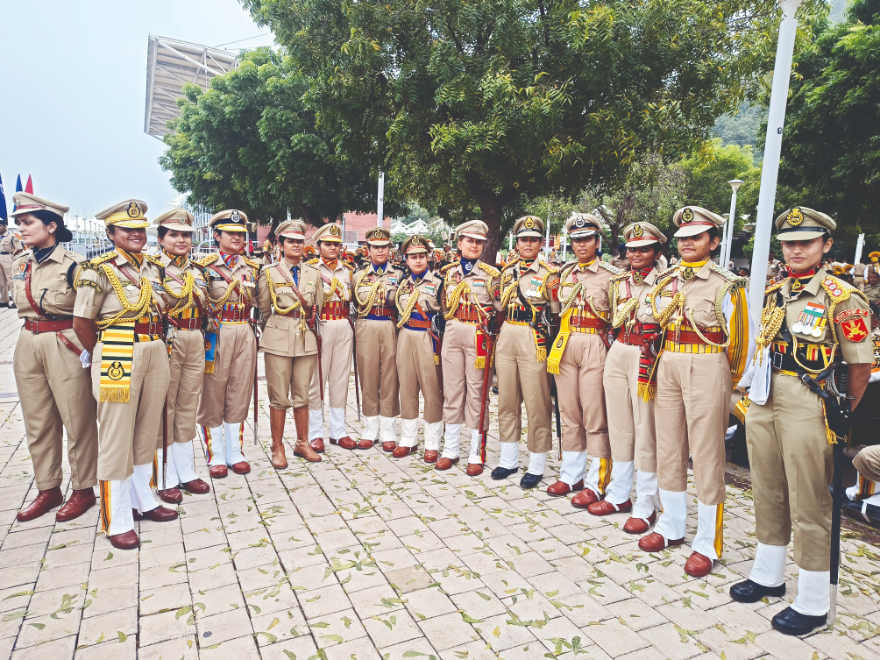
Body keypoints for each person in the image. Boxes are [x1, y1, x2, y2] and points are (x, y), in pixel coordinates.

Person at [731, 207, 873, 635]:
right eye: (790, 243)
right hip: (767, 395)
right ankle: (768, 574)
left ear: (826, 245)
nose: (796, 249)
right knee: (768, 488)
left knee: (811, 500)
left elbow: (860, 366)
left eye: (806, 242)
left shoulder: (841, 296)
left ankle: (812, 601)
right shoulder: (778, 292)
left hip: (810, 402)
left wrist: (840, 412)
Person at [638, 206, 750, 578]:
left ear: (713, 242)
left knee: (706, 452)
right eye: (683, 238)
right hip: (667, 362)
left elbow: (740, 344)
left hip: (707, 364)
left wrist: (728, 386)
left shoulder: (726, 284)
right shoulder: (667, 279)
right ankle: (671, 524)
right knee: (669, 446)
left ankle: (708, 541)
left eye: (696, 237)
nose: (688, 243)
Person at [73, 199, 174, 549]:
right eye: (126, 228)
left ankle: (144, 499)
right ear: (111, 232)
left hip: (154, 347)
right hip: (117, 348)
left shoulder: (152, 268)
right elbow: (82, 323)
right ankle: (116, 517)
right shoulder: (97, 270)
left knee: (147, 428)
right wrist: (100, 351)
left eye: (139, 228)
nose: (135, 233)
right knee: (116, 434)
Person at [11, 193, 98, 523]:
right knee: (38, 421)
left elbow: (92, 311)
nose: (22, 228)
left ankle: (84, 489)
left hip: (65, 341)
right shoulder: (22, 262)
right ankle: (48, 488)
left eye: (28, 222)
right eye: (19, 223)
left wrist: (90, 349)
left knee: (77, 419)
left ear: (51, 226)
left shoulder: (75, 265)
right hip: (28, 341)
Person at [580, 221, 665, 533]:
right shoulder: (618, 283)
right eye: (632, 249)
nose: (637, 254)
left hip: (646, 354)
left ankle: (646, 502)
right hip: (619, 349)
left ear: (657, 252)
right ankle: (618, 493)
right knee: (619, 426)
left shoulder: (665, 284)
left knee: (646, 430)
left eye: (644, 249)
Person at [545, 214, 619, 499]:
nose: (581, 245)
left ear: (597, 240)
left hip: (595, 343)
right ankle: (571, 475)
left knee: (595, 413)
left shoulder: (611, 276)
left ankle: (596, 481)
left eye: (586, 239)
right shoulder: (564, 274)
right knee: (568, 411)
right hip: (566, 342)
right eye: (576, 240)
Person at [492, 215, 560, 488]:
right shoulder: (506, 272)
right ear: (516, 243)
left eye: (533, 239)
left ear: (540, 243)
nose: (528, 244)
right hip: (507, 333)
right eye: (523, 240)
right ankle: (508, 459)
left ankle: (537, 463)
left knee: (536, 402)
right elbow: (498, 306)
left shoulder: (549, 274)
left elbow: (555, 313)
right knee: (507, 400)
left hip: (534, 337)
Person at [151, 209, 211, 504]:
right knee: (166, 405)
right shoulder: (153, 269)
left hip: (194, 337)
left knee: (188, 403)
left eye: (186, 235)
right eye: (173, 234)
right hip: (167, 340)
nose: (181, 240)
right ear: (161, 239)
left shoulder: (199, 271)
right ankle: (164, 475)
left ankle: (186, 470)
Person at [196, 209, 261, 477]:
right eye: (230, 233)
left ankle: (236, 451)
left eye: (240, 234)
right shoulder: (204, 267)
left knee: (239, 390)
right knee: (213, 391)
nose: (236, 237)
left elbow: (259, 302)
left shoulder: (252, 267)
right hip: (216, 331)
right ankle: (216, 454)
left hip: (244, 330)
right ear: (217, 235)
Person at [257, 220, 323, 466]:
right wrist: (276, 329)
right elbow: (264, 308)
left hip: (305, 338)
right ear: (280, 244)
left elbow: (318, 305)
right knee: (278, 397)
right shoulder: (269, 272)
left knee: (302, 394)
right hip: (278, 338)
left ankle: (302, 443)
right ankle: (277, 446)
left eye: (299, 241)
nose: (296, 245)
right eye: (290, 241)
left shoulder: (313, 273)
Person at [437, 220, 500, 473]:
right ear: (460, 243)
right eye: (469, 241)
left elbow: (499, 310)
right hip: (453, 332)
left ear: (483, 246)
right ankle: (450, 449)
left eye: (478, 242)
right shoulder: (449, 272)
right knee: (452, 391)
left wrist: (492, 333)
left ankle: (476, 451)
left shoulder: (492, 275)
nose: (474, 245)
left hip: (478, 334)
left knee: (477, 393)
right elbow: (443, 303)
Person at [351, 227, 403, 450]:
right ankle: (370, 428)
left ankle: (389, 430)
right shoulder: (358, 276)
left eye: (384, 247)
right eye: (375, 247)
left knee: (390, 378)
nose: (380, 250)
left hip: (391, 326)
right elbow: (353, 301)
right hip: (366, 326)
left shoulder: (400, 274)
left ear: (389, 249)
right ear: (368, 250)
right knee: (368, 376)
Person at [393, 235, 445, 458]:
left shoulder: (439, 283)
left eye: (421, 256)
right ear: (406, 259)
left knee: (431, 389)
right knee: (407, 388)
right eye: (413, 256)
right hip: (405, 335)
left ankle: (432, 443)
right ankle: (408, 439)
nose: (417, 260)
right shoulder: (403, 284)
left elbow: (445, 313)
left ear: (428, 257)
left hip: (427, 336)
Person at [306, 223, 356, 451]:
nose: (333, 248)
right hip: (321, 325)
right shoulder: (310, 269)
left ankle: (338, 432)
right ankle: (315, 433)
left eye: (336, 244)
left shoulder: (348, 271)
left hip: (344, 325)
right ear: (319, 247)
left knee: (340, 379)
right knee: (317, 379)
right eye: (328, 244)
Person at [0, 222, 23, 307]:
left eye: (0, 226)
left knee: (11, 280)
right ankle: (4, 300)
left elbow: (20, 249)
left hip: (8, 257)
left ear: (5, 226)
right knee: (1, 281)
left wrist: (14, 258)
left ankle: (16, 301)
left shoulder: (12, 236)